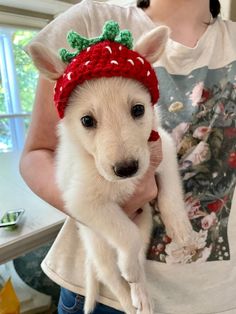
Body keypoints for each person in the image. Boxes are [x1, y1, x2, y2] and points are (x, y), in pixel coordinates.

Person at [20, 0, 236, 313]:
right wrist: (103, 205)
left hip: (220, 295)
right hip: (103, 291)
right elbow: (38, 151)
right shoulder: (89, 20)